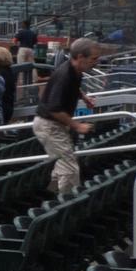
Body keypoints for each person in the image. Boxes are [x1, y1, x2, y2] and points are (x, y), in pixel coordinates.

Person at [37, 37, 97, 194]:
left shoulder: (76, 71)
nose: (96, 62)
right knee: (70, 168)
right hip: (48, 124)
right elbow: (54, 109)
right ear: (79, 57)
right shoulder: (65, 74)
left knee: (61, 167)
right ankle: (64, 206)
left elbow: (73, 88)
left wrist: (84, 97)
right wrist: (77, 126)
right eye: (93, 58)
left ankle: (49, 198)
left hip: (53, 125)